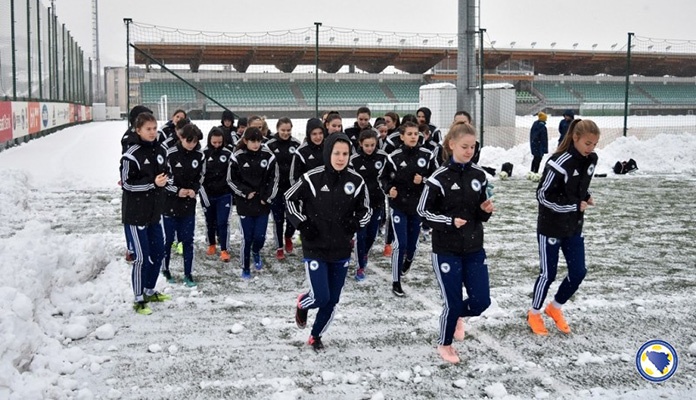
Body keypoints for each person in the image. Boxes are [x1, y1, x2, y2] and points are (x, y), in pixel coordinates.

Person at [417, 121, 494, 364]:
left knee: (482, 301)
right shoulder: (438, 178)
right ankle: (445, 343)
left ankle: (456, 315)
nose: (469, 151)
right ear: (451, 145)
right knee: (451, 302)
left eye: (472, 146)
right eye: (464, 146)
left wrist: (485, 211)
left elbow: (480, 212)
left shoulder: (479, 176)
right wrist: (449, 221)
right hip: (446, 250)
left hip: (473, 248)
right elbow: (422, 211)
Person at [286, 133, 371, 351]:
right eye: (336, 153)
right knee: (320, 296)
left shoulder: (357, 181)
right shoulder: (312, 178)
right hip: (315, 247)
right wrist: (303, 224)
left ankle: (316, 335)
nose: (341, 158)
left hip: (342, 248)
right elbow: (289, 199)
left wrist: (355, 223)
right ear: (328, 153)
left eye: (345, 154)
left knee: (332, 299)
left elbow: (366, 211)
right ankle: (302, 303)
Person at [527, 119, 599, 336]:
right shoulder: (559, 162)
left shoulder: (591, 160)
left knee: (579, 272)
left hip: (574, 226)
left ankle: (555, 307)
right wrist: (573, 205)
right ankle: (534, 313)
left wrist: (585, 196)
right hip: (550, 227)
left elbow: (577, 187)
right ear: (575, 138)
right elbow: (542, 195)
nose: (591, 149)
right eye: (587, 143)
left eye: (594, 144)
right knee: (548, 274)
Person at [120, 112, 172, 315]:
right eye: (148, 129)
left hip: (154, 213)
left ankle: (150, 290)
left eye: (154, 128)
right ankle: (139, 298)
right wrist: (152, 184)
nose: (152, 132)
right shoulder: (130, 154)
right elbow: (126, 184)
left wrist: (166, 180)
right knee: (141, 258)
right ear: (138, 130)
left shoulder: (160, 149)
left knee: (159, 253)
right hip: (135, 215)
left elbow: (165, 172)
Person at [379, 121, 436, 296]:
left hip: (418, 207)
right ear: (402, 137)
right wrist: (389, 189)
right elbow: (382, 178)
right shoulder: (393, 156)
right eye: (409, 134)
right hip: (399, 206)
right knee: (400, 244)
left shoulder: (427, 155)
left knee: (412, 245)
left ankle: (409, 259)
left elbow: (436, 178)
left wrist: (424, 179)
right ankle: (396, 282)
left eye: (415, 134)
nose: (413, 137)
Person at [228, 127, 279, 279]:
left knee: (260, 237)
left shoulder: (268, 156)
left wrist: (267, 197)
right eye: (252, 141)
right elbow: (231, 180)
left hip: (262, 204)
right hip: (245, 204)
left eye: (258, 141)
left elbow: (274, 179)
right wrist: (244, 192)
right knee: (247, 237)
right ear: (245, 141)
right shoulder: (237, 156)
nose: (256, 144)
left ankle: (256, 251)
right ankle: (245, 267)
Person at [161, 124, 206, 287]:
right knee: (167, 241)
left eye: (195, 142)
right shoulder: (170, 154)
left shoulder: (199, 155)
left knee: (187, 240)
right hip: (169, 204)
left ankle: (188, 274)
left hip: (188, 205)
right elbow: (165, 179)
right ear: (181, 137)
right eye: (189, 141)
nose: (192, 144)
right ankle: (165, 270)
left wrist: (194, 190)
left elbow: (201, 176)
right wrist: (177, 191)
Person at [349, 129, 389, 281]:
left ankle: (365, 252)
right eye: (366, 145)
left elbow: (389, 176)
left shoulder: (383, 157)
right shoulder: (354, 160)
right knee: (361, 235)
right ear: (360, 144)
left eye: (373, 145)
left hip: (377, 202)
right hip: (360, 205)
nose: (370, 148)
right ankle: (359, 267)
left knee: (372, 234)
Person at [265, 117, 301, 260]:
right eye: (283, 130)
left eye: (288, 130)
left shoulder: (296, 144)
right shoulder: (270, 145)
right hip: (276, 189)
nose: (286, 133)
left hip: (292, 188)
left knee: (292, 217)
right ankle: (279, 246)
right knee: (278, 219)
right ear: (277, 129)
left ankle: (288, 236)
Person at [120, 105, 152, 262]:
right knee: (130, 216)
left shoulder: (149, 137)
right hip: (134, 183)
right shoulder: (129, 138)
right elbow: (128, 161)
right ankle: (131, 248)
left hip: (148, 185)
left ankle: (142, 244)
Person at [199, 127, 234, 262]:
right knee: (210, 221)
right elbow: (200, 175)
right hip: (207, 194)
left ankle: (224, 249)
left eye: (219, 142)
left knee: (223, 222)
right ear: (210, 141)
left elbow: (232, 173)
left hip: (224, 194)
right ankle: (212, 244)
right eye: (214, 143)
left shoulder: (228, 154)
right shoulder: (204, 154)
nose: (217, 145)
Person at [290, 118, 325, 185]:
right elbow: (294, 178)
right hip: (308, 191)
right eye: (314, 134)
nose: (318, 137)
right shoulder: (301, 152)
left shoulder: (329, 147)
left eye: (320, 133)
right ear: (309, 134)